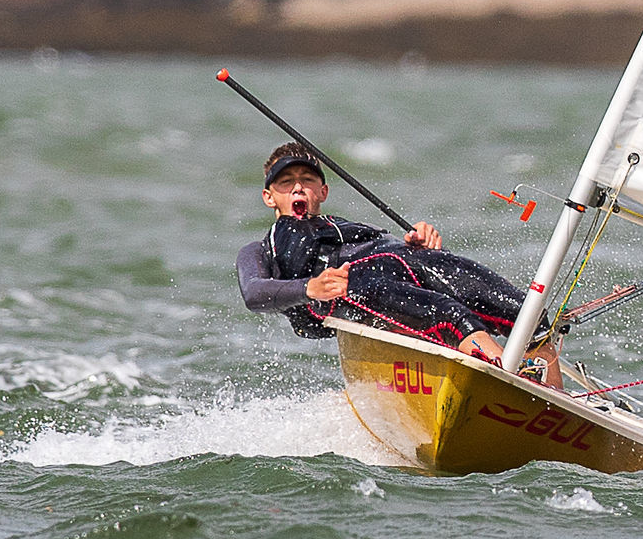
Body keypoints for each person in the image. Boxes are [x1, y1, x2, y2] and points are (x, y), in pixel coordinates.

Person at [234, 141, 556, 379]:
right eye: (286, 182)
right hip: (350, 289)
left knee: (528, 314)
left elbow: (388, 250)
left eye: (308, 179)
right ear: (269, 196)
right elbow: (254, 293)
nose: (298, 187)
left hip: (404, 264)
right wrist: (310, 288)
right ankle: (512, 378)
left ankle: (553, 401)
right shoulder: (259, 250)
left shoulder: (347, 228)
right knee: (451, 317)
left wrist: (416, 241)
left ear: (323, 191)